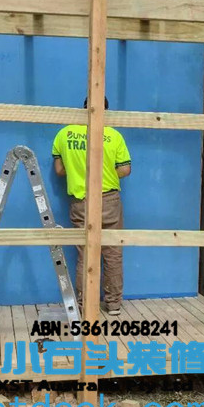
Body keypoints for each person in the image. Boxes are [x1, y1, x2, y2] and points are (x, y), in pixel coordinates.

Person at [52, 96, 131, 316]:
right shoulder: (114, 136)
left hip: (81, 201)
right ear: (106, 111)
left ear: (83, 108)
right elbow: (125, 169)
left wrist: (80, 174)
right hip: (109, 200)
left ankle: (85, 304)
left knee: (85, 254)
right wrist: (104, 175)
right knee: (113, 253)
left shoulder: (64, 134)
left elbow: (59, 170)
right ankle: (113, 304)